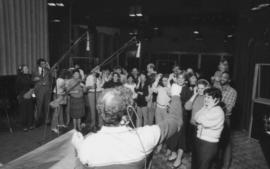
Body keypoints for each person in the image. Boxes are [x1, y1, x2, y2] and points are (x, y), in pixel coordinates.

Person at [72, 84, 183, 169]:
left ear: (101, 113)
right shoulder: (146, 135)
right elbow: (176, 121)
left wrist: (79, 145)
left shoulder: (87, 144)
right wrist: (176, 95)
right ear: (129, 113)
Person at [192, 87, 225, 169]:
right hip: (199, 139)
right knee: (195, 165)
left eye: (209, 97)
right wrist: (205, 108)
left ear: (216, 99)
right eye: (205, 97)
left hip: (209, 144)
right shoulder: (206, 107)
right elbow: (195, 117)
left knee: (203, 166)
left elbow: (201, 120)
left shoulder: (218, 111)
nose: (206, 99)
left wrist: (206, 109)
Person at [166, 72, 192, 168]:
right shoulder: (175, 86)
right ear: (176, 79)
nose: (180, 80)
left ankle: (179, 158)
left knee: (181, 137)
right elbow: (172, 97)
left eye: (182, 78)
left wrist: (180, 120)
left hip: (182, 116)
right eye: (179, 78)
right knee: (172, 134)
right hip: (173, 114)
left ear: (185, 80)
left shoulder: (187, 90)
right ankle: (173, 153)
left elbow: (186, 106)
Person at [185, 79, 209, 151]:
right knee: (192, 145)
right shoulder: (195, 96)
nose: (200, 90)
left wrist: (207, 94)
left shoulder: (207, 98)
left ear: (206, 88)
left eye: (202, 88)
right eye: (198, 88)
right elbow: (187, 107)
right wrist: (195, 94)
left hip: (201, 127)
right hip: (192, 124)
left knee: (199, 148)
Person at [219, 71, 237, 169]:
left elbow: (229, 108)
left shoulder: (232, 91)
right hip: (215, 118)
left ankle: (226, 165)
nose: (222, 79)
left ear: (229, 80)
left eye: (225, 77)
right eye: (221, 77)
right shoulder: (217, 88)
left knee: (226, 143)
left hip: (225, 119)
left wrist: (216, 108)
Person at [33, 58, 52, 127]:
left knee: (47, 106)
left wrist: (49, 68)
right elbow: (32, 79)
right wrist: (35, 79)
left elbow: (52, 77)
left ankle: (47, 120)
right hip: (39, 90)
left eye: (44, 63)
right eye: (42, 64)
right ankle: (37, 121)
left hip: (47, 90)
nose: (44, 65)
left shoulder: (48, 70)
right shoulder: (35, 71)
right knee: (39, 106)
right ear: (39, 64)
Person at [15, 65, 35, 131]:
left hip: (29, 94)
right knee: (24, 111)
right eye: (26, 68)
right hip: (23, 95)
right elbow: (17, 88)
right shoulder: (19, 77)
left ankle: (30, 124)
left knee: (30, 110)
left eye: (27, 68)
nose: (27, 69)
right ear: (22, 70)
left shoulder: (28, 76)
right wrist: (20, 95)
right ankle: (24, 126)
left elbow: (31, 84)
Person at [50, 69, 68, 134]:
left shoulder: (59, 79)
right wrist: (66, 86)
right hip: (58, 94)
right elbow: (63, 87)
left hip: (58, 94)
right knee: (57, 111)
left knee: (60, 110)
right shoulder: (61, 80)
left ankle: (60, 123)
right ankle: (53, 127)